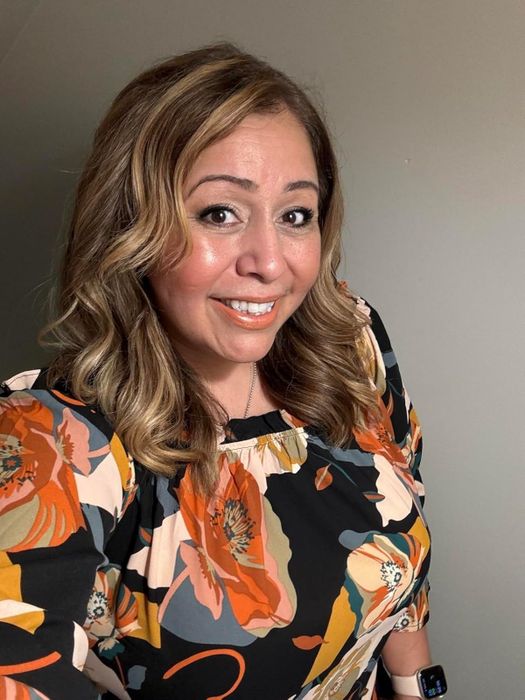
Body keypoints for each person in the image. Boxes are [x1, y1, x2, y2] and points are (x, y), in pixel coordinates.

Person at [0, 42, 442, 700]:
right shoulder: (51, 445)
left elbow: (401, 562)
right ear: (131, 227)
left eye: (295, 215)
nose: (270, 261)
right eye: (219, 213)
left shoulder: (349, 342)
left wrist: (419, 687)